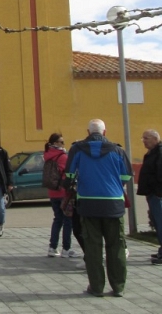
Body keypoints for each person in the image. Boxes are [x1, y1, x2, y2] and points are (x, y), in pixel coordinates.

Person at [64, 119, 132, 298]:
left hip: (88, 203)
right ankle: (118, 286)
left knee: (93, 247)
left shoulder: (77, 149)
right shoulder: (117, 150)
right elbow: (126, 175)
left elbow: (69, 174)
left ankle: (96, 287)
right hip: (113, 203)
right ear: (105, 132)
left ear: (88, 132)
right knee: (116, 245)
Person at [44, 133, 79, 258]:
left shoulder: (47, 156)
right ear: (54, 143)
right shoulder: (63, 157)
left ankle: (52, 247)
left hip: (52, 192)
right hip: (64, 193)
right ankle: (66, 248)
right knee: (67, 220)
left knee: (57, 219)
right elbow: (68, 174)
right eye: (61, 142)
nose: (63, 144)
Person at [136, 129, 162, 264]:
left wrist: (157, 191)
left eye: (146, 138)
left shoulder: (160, 152)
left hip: (157, 194)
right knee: (158, 223)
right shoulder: (152, 153)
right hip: (152, 193)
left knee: (161, 222)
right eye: (143, 138)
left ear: (155, 139)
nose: (144, 141)